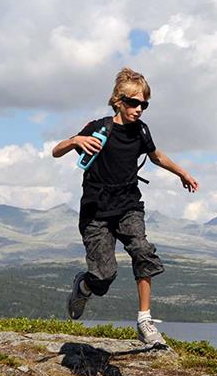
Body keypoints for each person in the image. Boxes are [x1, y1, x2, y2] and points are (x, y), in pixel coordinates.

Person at [51, 67, 199, 347]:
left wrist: (182, 173)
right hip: (96, 212)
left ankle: (145, 321)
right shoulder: (99, 127)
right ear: (118, 100)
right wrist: (74, 141)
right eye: (133, 102)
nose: (139, 108)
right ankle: (83, 286)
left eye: (144, 104)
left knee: (143, 251)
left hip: (129, 204)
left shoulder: (141, 131)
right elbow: (55, 151)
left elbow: (156, 156)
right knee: (103, 277)